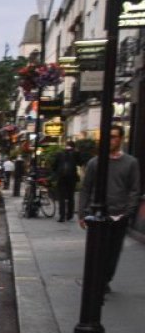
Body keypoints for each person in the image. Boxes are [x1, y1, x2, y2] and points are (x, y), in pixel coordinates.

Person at [78, 124, 140, 295]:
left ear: (121, 139)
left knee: (112, 252)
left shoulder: (130, 163)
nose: (110, 140)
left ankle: (105, 280)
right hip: (96, 216)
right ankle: (95, 280)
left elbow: (135, 190)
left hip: (118, 215)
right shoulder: (95, 163)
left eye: (113, 137)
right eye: (107, 137)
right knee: (96, 251)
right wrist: (81, 213)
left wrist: (128, 212)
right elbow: (86, 189)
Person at [52, 141, 80, 222]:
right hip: (72, 178)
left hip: (61, 177)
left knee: (61, 197)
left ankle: (62, 216)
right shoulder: (75, 153)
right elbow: (80, 162)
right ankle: (70, 215)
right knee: (71, 196)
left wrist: (55, 173)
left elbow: (54, 165)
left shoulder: (59, 153)